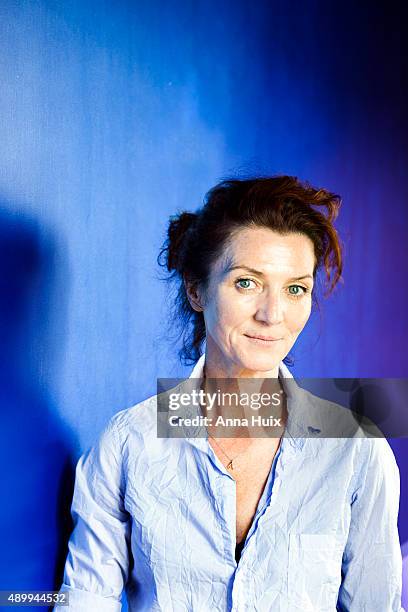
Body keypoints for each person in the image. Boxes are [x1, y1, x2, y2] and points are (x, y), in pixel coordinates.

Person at [55, 175, 403, 611]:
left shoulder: (355, 449)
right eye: (246, 282)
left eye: (296, 289)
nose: (272, 314)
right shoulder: (128, 444)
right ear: (197, 290)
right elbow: (85, 601)